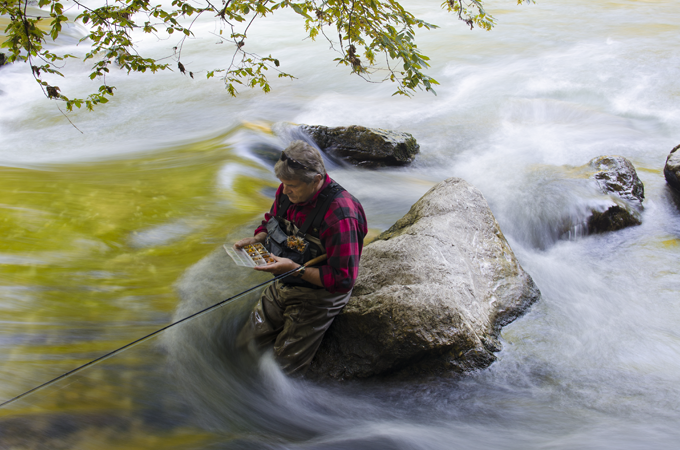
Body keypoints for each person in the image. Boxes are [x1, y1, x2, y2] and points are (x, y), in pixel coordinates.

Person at [235, 140, 367, 375]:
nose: (285, 191)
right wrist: (258, 238)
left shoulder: (341, 215)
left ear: (316, 180)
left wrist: (295, 269)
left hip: (320, 295)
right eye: (283, 184)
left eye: (292, 186)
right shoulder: (288, 191)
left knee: (281, 368)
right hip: (285, 279)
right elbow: (271, 219)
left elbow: (343, 280)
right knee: (245, 344)